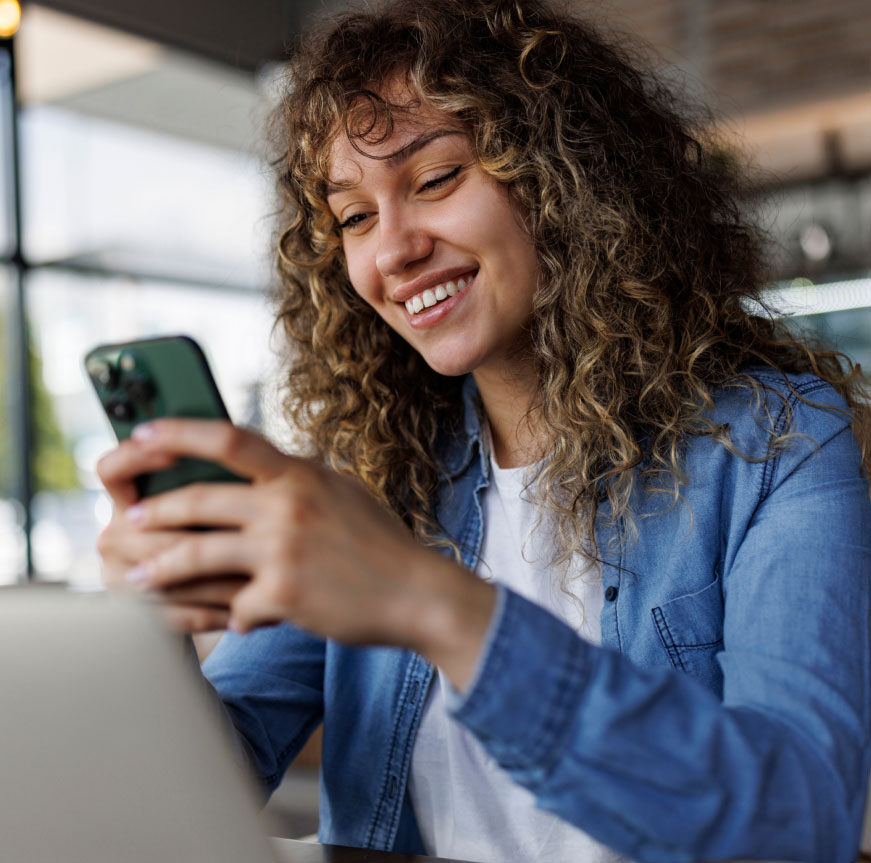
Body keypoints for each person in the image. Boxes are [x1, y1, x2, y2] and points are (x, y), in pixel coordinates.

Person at [95, 0, 871, 860]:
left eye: (433, 180)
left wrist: (432, 604)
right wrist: (149, 638)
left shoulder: (780, 444)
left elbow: (800, 819)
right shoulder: (371, 477)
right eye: (353, 217)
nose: (391, 251)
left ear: (568, 182)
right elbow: (213, 773)